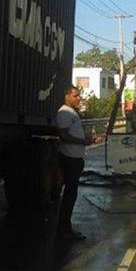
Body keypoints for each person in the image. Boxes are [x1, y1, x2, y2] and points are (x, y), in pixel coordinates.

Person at [55, 85, 102, 241]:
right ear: (67, 96)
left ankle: (65, 228)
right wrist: (83, 141)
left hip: (75, 158)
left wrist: (88, 139)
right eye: (75, 96)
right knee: (69, 195)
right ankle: (64, 229)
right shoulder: (64, 112)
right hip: (70, 159)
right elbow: (64, 136)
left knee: (71, 194)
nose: (78, 98)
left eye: (79, 96)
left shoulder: (72, 113)